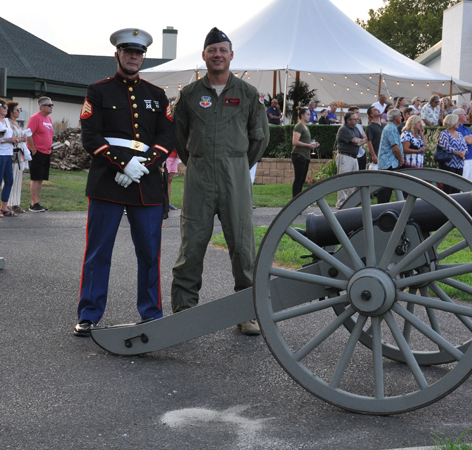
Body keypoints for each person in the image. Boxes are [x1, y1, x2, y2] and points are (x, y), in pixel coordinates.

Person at [75, 28, 174, 337]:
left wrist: (140, 167)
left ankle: (151, 313)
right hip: (107, 181)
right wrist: (122, 163)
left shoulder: (157, 96)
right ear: (116, 54)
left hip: (146, 185)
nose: (134, 56)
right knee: (98, 252)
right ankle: (89, 313)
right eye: (128, 51)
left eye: (139, 52)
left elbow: (166, 136)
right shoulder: (98, 91)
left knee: (149, 253)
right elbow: (90, 135)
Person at [170, 27, 269, 336]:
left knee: (242, 246)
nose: (217, 54)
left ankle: (247, 313)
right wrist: (199, 162)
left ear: (231, 55)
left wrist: (237, 164)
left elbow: (260, 137)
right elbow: (179, 136)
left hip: (235, 176)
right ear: (204, 55)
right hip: (199, 175)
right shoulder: (189, 95)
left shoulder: (248, 94)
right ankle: (185, 312)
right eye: (211, 50)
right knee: (192, 244)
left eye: (222, 50)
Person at [0, 98, 19, 217]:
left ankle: (4, 207)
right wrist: (8, 139)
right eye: (4, 107)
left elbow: (10, 137)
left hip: (8, 153)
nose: (7, 109)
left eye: (7, 107)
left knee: (9, 180)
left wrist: (16, 139)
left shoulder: (6, 121)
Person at [27, 96, 55, 212]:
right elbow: (28, 134)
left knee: (41, 178)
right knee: (36, 178)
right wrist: (33, 149)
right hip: (37, 152)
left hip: (46, 152)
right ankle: (33, 204)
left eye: (52, 105)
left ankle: (37, 202)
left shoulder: (48, 119)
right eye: (49, 105)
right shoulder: (35, 118)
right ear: (41, 107)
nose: (51, 107)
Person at [335, 111, 366, 208]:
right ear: (348, 120)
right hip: (345, 157)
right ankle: (341, 204)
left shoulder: (355, 129)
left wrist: (358, 142)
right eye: (355, 119)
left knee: (353, 182)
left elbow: (363, 139)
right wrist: (358, 141)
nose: (357, 121)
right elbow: (355, 141)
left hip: (354, 157)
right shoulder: (344, 129)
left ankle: (349, 204)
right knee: (344, 181)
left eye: (357, 119)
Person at [376, 108, 405, 203]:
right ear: (395, 117)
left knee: (386, 192)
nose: (402, 117)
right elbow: (395, 147)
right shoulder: (391, 128)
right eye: (400, 115)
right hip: (388, 164)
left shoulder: (391, 127)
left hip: (388, 163)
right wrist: (401, 159)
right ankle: (381, 212)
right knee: (385, 193)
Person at [7, 101, 28, 214]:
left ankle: (16, 202)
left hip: (19, 152)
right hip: (12, 151)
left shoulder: (16, 123)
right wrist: (21, 139)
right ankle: (8, 203)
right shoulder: (8, 122)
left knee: (18, 177)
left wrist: (23, 136)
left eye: (20, 110)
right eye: (17, 110)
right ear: (11, 112)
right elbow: (11, 137)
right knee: (11, 177)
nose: (19, 111)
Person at [291, 107, 318, 197]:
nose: (310, 116)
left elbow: (305, 141)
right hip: (299, 155)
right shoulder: (298, 126)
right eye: (308, 114)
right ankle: (294, 201)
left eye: (310, 114)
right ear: (302, 116)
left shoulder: (306, 127)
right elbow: (295, 142)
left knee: (302, 179)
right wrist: (308, 145)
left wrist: (312, 144)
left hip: (305, 156)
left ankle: (299, 200)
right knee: (298, 179)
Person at [456, 108, 472, 183]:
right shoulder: (457, 128)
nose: (466, 116)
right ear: (459, 116)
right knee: (463, 181)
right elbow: (468, 141)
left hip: (471, 158)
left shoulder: (465, 128)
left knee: (471, 182)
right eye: (464, 114)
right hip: (465, 158)